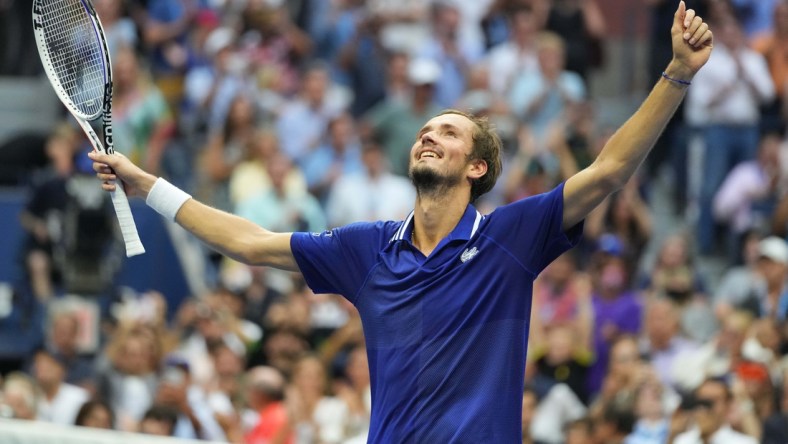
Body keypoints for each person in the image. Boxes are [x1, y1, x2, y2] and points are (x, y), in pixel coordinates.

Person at [89, 4, 712, 440]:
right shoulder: (365, 249)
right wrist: (149, 187)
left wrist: (677, 72)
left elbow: (608, 171)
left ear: (477, 167)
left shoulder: (509, 240)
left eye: (447, 131)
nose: (428, 134)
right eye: (425, 129)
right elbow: (249, 242)